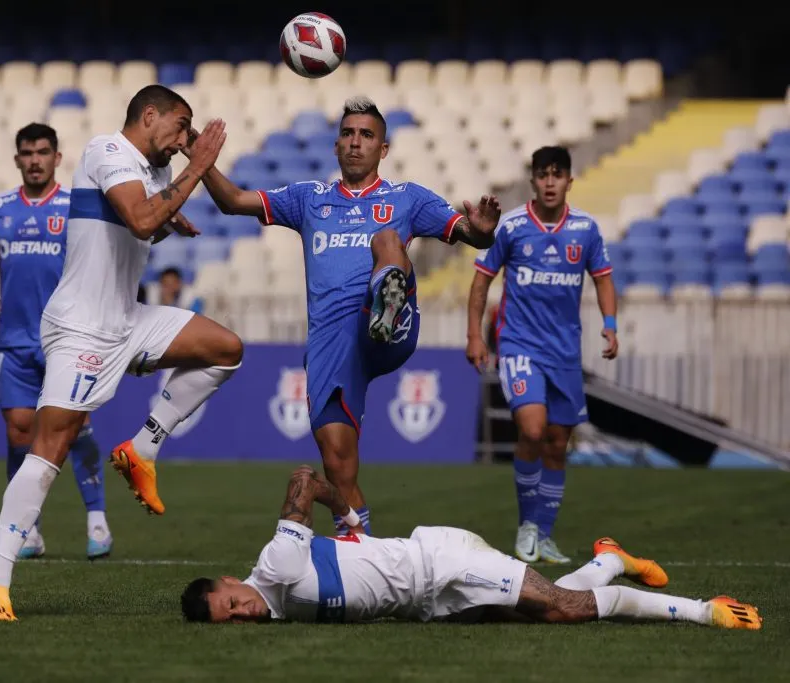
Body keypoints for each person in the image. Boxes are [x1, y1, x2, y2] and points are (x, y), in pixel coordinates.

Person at [0, 85, 243, 621]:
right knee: (51, 446)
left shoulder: (157, 172)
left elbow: (135, 229)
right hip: (81, 328)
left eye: (190, 132)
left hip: (127, 318)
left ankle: (142, 448)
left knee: (225, 349)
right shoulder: (106, 150)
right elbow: (138, 219)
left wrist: (170, 215)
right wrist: (195, 169)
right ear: (149, 116)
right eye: (180, 126)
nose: (184, 139)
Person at [190, 95, 500, 536]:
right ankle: (361, 544)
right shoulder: (309, 199)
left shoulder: (406, 198)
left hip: (387, 331)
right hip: (332, 346)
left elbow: (469, 234)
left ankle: (384, 303)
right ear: (336, 145)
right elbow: (234, 201)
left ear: (383, 149)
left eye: (367, 136)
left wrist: (482, 232)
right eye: (348, 134)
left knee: (387, 241)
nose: (356, 143)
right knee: (337, 461)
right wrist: (199, 161)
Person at [179, 466, 762, 631]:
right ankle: (611, 560)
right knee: (546, 615)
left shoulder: (275, 567)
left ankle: (704, 610)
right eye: (228, 620)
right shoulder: (277, 612)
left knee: (563, 608)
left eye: (230, 603)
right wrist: (351, 526)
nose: (240, 614)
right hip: (430, 603)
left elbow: (301, 479)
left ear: (229, 583)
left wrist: (344, 509)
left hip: (443, 564)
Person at [0, 123, 111, 560]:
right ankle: (29, 530)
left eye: (43, 152)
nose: (35, 160)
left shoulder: (77, 205)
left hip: (68, 338)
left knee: (77, 429)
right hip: (16, 341)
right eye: (27, 153)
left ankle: (97, 521)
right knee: (19, 433)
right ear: (16, 160)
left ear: (57, 158)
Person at [465, 146, 619, 565]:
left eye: (558, 174)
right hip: (519, 346)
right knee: (532, 431)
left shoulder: (585, 229)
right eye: (543, 174)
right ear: (533, 180)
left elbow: (603, 279)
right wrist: (475, 337)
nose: (550, 182)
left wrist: (611, 323)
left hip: (565, 352)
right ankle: (527, 528)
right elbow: (481, 281)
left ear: (570, 180)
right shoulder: (512, 226)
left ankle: (544, 535)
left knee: (556, 444)